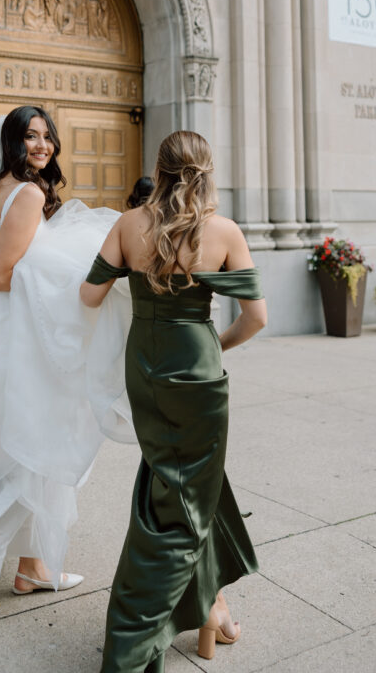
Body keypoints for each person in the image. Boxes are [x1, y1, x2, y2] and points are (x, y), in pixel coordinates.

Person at [0, 105, 133, 617]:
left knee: (26, 450)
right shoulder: (28, 194)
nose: (42, 146)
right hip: (14, 335)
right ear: (12, 144)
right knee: (32, 453)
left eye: (47, 137)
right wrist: (69, 285)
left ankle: (33, 568)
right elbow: (1, 275)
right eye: (31, 137)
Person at [80, 130, 267, 671]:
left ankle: (212, 607)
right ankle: (131, 647)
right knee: (181, 508)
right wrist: (214, 346)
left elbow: (88, 296)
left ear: (158, 170)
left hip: (145, 366)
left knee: (179, 486)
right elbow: (256, 319)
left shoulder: (128, 224)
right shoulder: (224, 231)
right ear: (208, 171)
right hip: (199, 370)